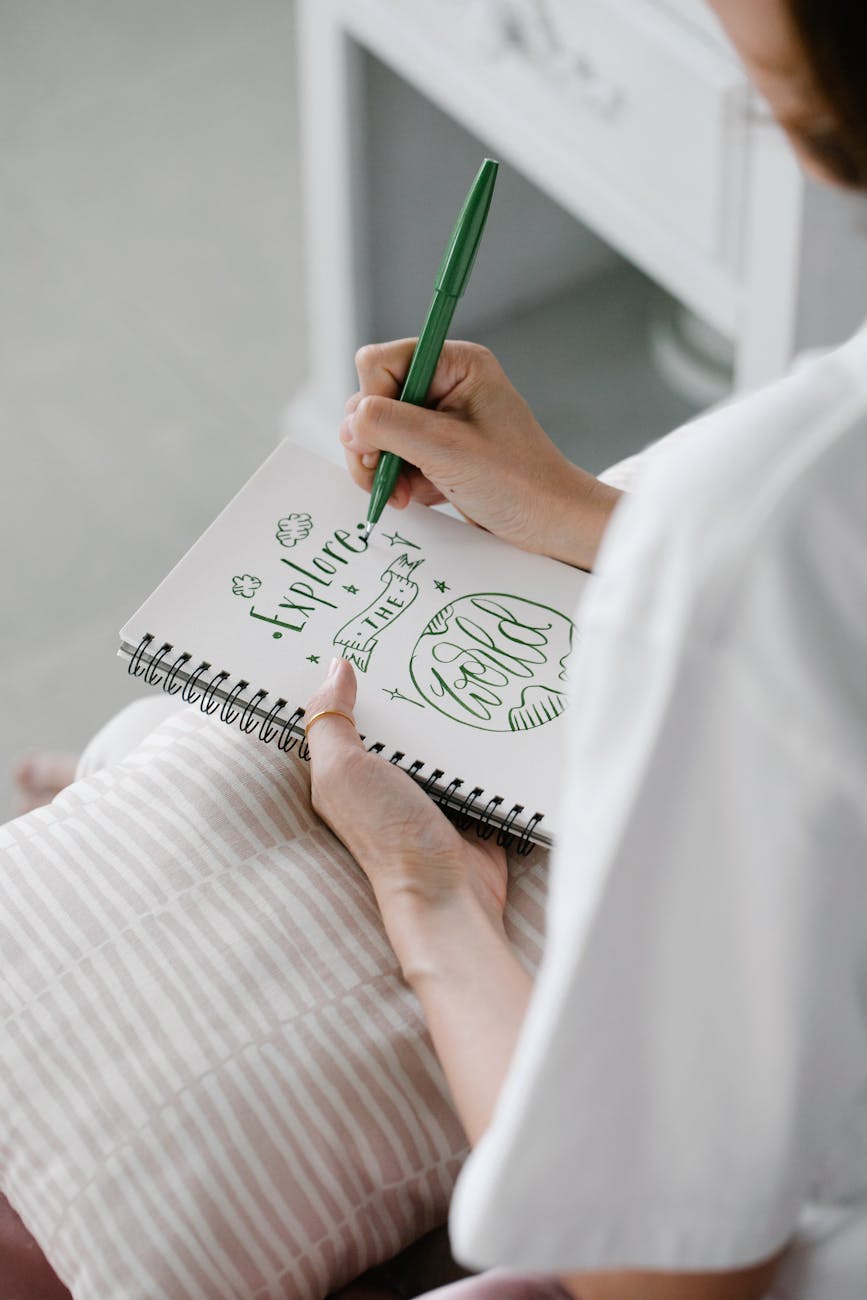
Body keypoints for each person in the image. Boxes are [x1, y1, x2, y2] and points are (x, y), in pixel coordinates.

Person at [5, 2, 866, 1297]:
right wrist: (573, 512)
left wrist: (431, 900)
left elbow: (654, 1276)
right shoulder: (783, 498)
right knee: (158, 748)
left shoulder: (766, 521)